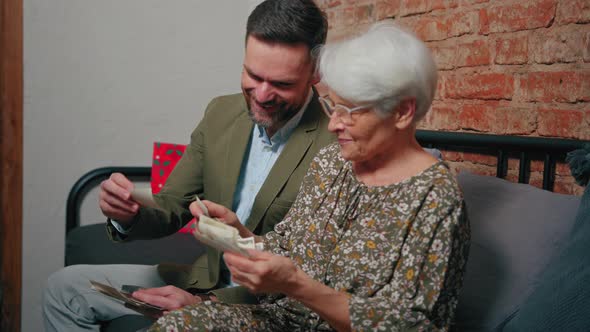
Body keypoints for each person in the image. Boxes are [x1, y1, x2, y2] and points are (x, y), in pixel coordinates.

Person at [148, 20, 471, 331]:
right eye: (334, 107)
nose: (333, 124)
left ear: (403, 112)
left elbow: (411, 324)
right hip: (282, 319)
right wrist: (240, 236)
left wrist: (297, 285)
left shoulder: (436, 199)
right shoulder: (332, 161)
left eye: (350, 112)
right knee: (178, 324)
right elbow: (287, 246)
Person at [43, 1, 334, 331]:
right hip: (198, 279)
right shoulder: (220, 114)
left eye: (281, 84)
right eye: (253, 75)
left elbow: (310, 276)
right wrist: (129, 214)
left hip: (262, 307)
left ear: (316, 72)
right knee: (64, 288)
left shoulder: (337, 145)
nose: (262, 94)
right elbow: (173, 205)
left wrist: (205, 307)